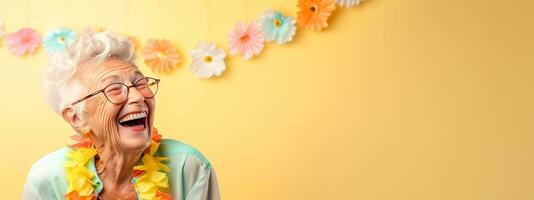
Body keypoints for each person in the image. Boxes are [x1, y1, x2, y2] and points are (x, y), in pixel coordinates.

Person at [22, 31, 220, 200]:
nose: (137, 96)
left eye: (140, 83)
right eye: (113, 88)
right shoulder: (47, 178)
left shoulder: (188, 167)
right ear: (76, 117)